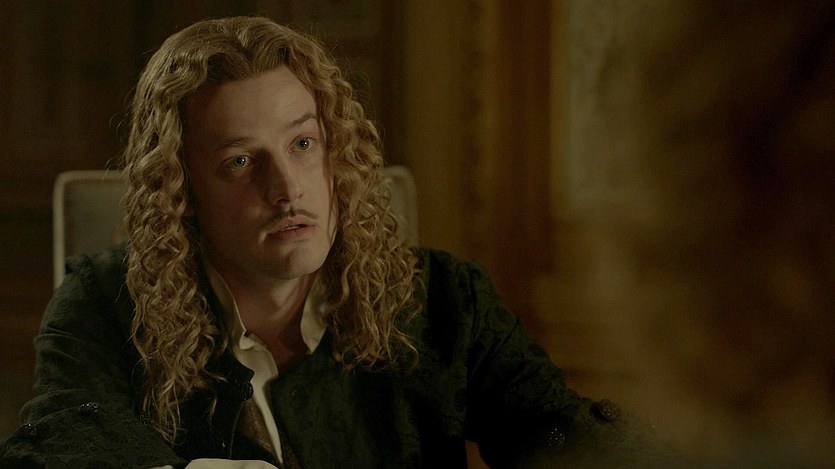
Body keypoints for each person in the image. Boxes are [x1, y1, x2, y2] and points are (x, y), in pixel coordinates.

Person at [0, 16, 675, 468]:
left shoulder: (444, 301)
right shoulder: (105, 303)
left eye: (302, 144)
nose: (286, 188)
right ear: (184, 190)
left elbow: (560, 434)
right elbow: (63, 442)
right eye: (240, 160)